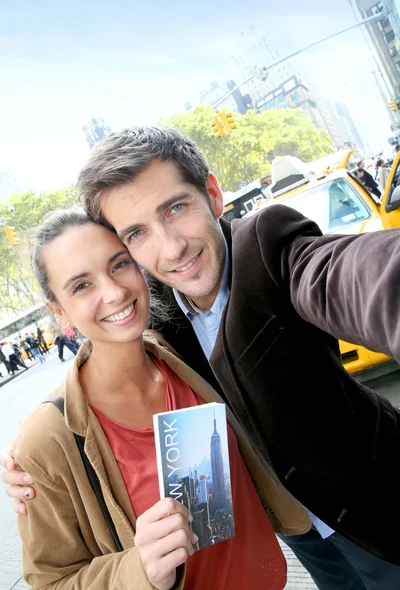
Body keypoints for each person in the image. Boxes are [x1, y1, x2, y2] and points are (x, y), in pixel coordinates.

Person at [4, 127, 400, 588]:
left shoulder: (270, 248)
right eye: (137, 234)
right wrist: (34, 451)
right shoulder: (156, 311)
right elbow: (106, 343)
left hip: (379, 505)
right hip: (300, 530)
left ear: (212, 194)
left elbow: (353, 276)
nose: (171, 248)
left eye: (176, 208)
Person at [6, 208, 293, 590]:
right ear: (59, 312)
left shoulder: (181, 349)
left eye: (119, 264)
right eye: (81, 286)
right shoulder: (48, 443)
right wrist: (138, 569)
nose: (114, 292)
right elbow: (51, 580)